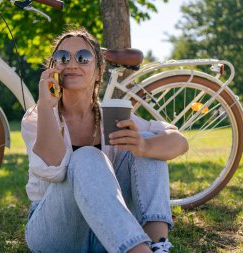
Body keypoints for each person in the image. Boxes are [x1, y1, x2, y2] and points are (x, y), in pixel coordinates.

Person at [21, 27, 189, 253]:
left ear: (99, 71)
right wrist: (45, 104)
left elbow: (179, 141)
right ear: (53, 68)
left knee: (147, 141)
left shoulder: (112, 114)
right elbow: (54, 171)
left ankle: (157, 244)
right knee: (86, 156)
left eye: (83, 57)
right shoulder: (38, 116)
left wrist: (143, 145)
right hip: (56, 232)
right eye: (62, 58)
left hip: (108, 229)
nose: (71, 64)